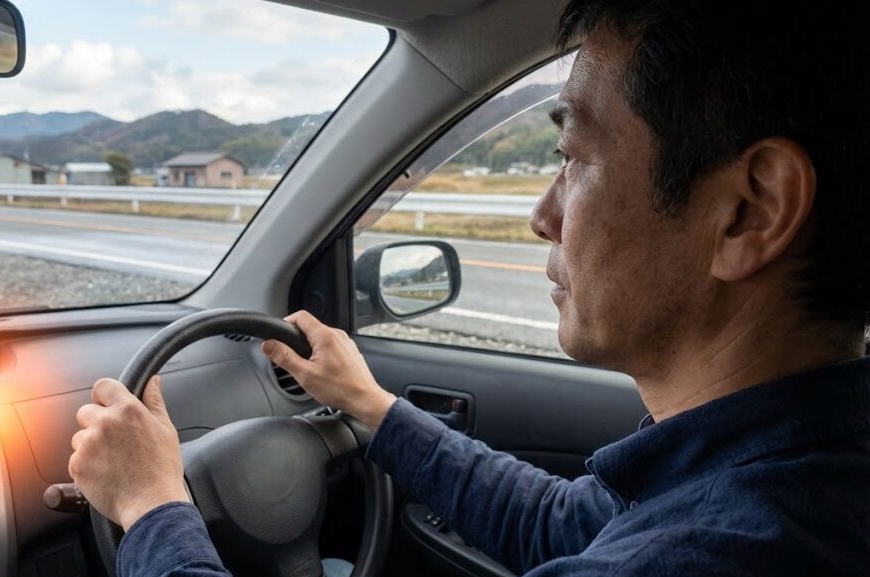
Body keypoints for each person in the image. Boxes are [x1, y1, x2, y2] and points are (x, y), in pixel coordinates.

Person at [67, 1, 870, 575]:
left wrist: (153, 509)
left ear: (749, 210)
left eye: (574, 158)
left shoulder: (707, 552)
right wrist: (372, 406)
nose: (541, 215)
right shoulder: (784, 475)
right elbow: (561, 524)